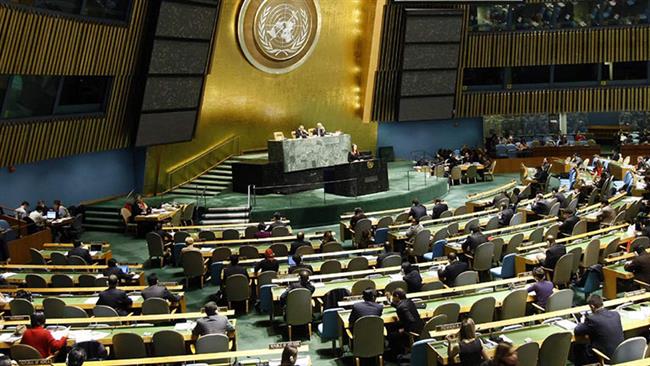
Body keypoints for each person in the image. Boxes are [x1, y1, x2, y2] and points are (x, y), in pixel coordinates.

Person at [573, 294, 624, 365]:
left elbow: (577, 330)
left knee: (577, 346)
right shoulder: (616, 314)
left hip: (604, 357)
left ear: (592, 306)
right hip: (620, 354)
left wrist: (582, 322)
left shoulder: (592, 319)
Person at [387, 288, 424, 357]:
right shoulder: (409, 301)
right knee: (393, 327)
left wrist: (404, 330)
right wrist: (390, 302)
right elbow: (401, 307)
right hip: (420, 328)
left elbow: (411, 320)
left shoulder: (400, 307)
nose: (392, 298)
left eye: (393, 297)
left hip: (412, 332)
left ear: (397, 296)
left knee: (391, 335)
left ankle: (395, 355)